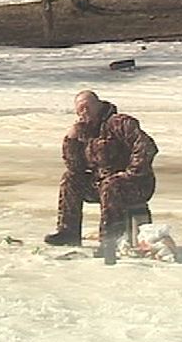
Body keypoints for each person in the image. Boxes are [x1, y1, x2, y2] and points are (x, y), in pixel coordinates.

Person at [44, 90, 159, 262]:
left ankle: (109, 240)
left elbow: (146, 147)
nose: (84, 112)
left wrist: (131, 174)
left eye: (87, 107)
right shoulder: (84, 131)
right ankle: (68, 232)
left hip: (136, 184)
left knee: (111, 184)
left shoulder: (119, 123)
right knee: (70, 179)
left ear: (98, 105)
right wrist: (71, 140)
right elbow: (75, 168)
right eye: (79, 110)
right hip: (105, 185)